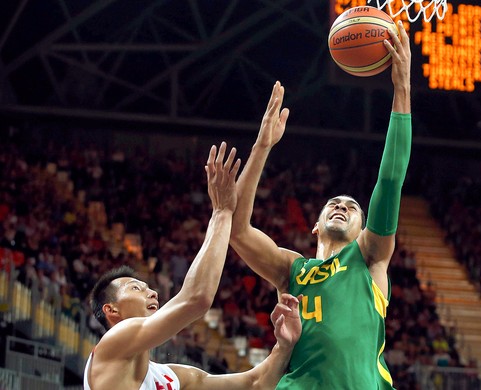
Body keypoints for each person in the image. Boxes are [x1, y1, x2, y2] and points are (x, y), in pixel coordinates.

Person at [230, 21, 411, 389]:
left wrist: (402, 87)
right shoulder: (291, 270)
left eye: (352, 206)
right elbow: (235, 229)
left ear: (364, 228)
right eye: (333, 203)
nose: (341, 206)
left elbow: (390, 181)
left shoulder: (369, 258)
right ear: (314, 225)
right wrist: (261, 147)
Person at [84, 142, 302, 390]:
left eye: (147, 287)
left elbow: (255, 384)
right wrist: (221, 212)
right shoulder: (112, 344)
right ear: (112, 310)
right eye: (136, 288)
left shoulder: (170, 378)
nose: (153, 292)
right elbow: (196, 299)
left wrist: (284, 346)